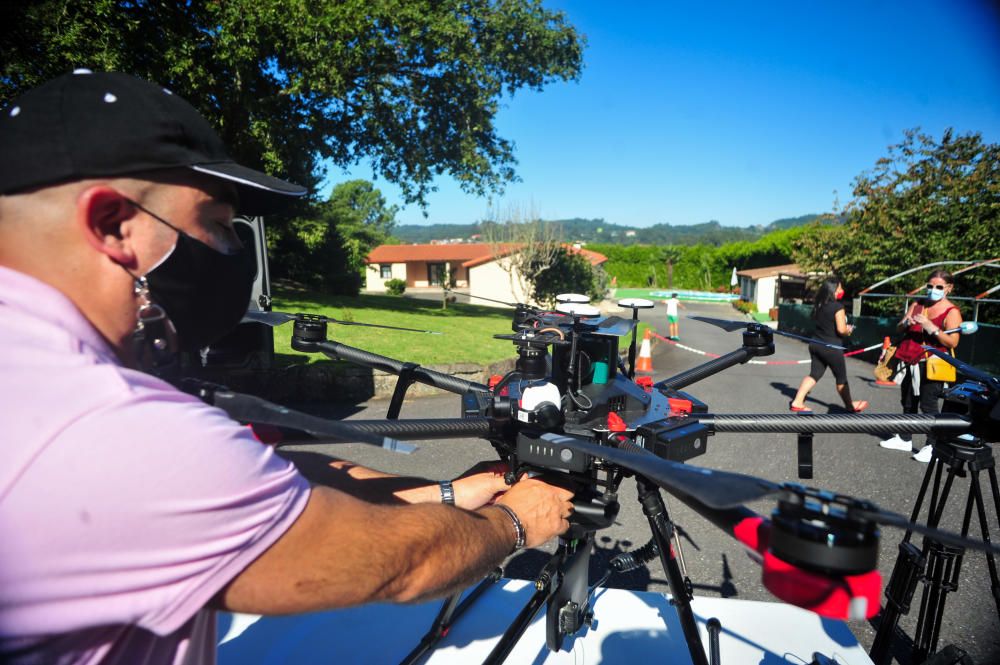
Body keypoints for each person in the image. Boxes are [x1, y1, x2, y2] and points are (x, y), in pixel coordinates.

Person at [0, 71, 575, 664]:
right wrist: (516, 521)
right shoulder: (109, 426)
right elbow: (400, 566)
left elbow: (252, 474)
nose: (232, 252)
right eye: (219, 225)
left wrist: (451, 491)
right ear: (112, 225)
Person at [879, 270, 963, 462]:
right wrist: (906, 322)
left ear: (948, 289)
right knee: (908, 401)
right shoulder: (918, 304)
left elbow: (952, 342)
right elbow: (899, 327)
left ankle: (932, 446)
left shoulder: (952, 312)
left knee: (929, 405)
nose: (934, 290)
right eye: (930, 286)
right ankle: (905, 438)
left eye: (939, 287)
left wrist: (930, 327)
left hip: (933, 363)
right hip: (910, 360)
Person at [789, 277, 868, 414]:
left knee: (814, 374)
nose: (842, 291)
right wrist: (848, 330)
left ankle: (797, 401)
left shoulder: (819, 305)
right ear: (833, 290)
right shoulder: (838, 307)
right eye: (840, 288)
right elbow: (841, 330)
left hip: (816, 344)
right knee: (841, 378)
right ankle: (850, 406)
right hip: (832, 347)